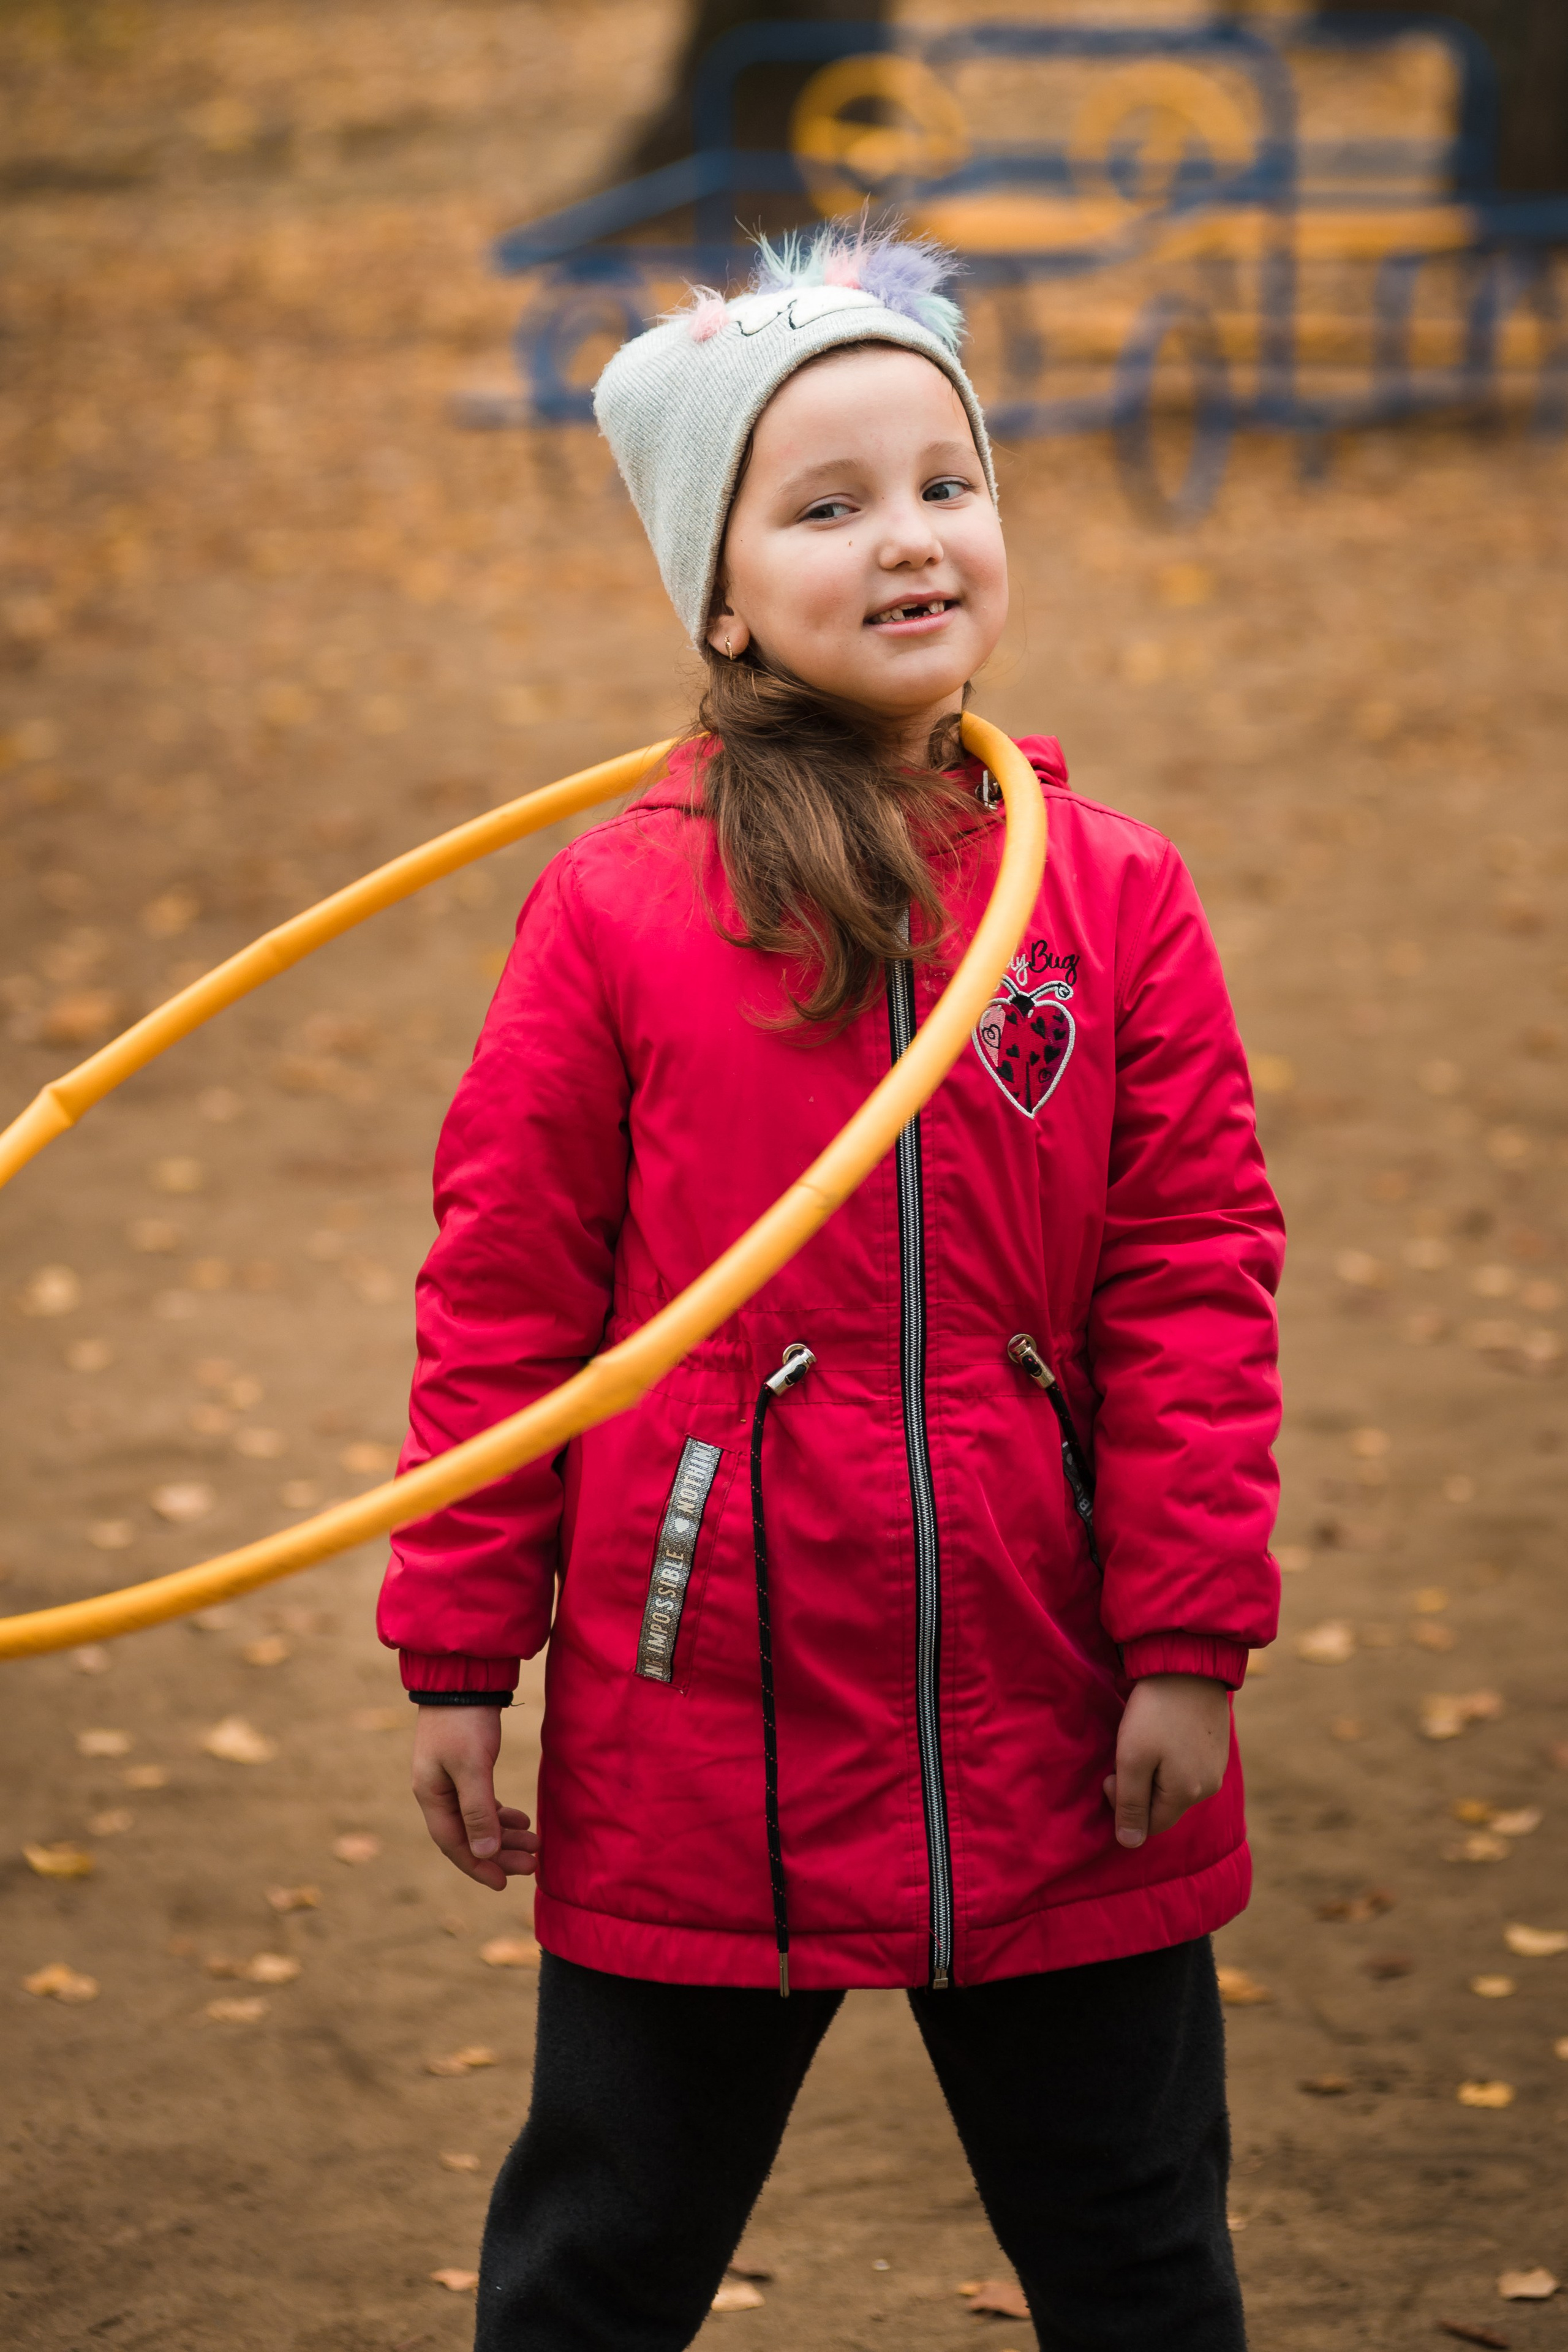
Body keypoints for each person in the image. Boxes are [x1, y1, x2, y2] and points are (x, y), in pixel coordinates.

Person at [377, 224, 1283, 2351]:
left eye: (948, 486)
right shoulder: (613, 910)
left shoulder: (1116, 895)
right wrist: (453, 1644)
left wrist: (1189, 1629)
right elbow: (507, 1298)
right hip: (707, 1703)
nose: (912, 540)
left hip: (1055, 1691)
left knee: (1144, 2256)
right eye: (830, 504)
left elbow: (1192, 1275)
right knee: (599, 2259)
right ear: (718, 586)